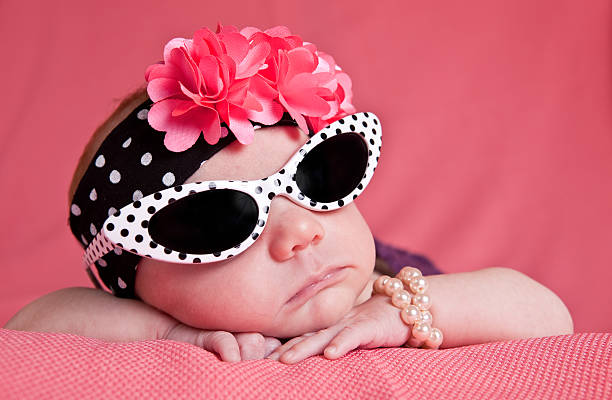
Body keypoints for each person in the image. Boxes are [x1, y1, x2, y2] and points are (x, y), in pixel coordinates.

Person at [4, 24, 573, 364]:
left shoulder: (386, 287)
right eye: (218, 218)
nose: (302, 231)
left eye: (317, 177)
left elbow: (548, 314)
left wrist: (403, 315)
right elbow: (29, 325)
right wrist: (171, 333)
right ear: (139, 282)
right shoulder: (157, 317)